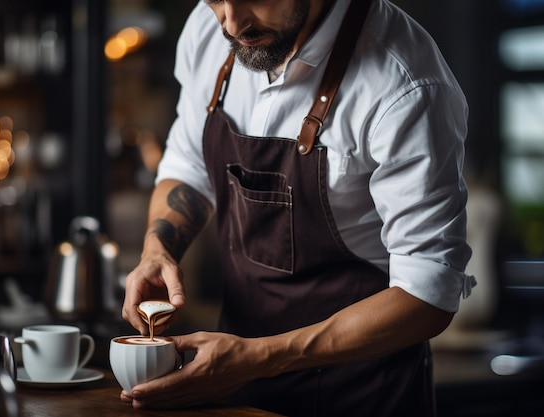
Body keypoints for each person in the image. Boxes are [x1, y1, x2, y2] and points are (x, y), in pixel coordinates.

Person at [120, 0, 476, 416]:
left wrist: (257, 358)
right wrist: (158, 248)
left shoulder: (406, 84)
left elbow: (427, 294)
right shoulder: (207, 29)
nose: (233, 24)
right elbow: (187, 166)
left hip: (362, 395)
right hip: (233, 389)